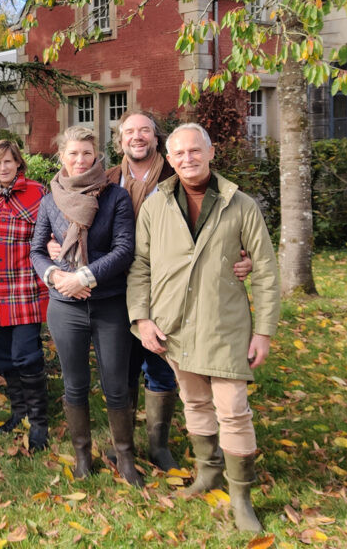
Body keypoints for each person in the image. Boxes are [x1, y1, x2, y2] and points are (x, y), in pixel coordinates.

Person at [127, 123, 280, 532]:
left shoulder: (240, 204)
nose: (187, 159)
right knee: (195, 404)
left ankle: (242, 496)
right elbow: (140, 266)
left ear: (211, 153)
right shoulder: (156, 205)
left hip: (225, 325)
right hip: (175, 326)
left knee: (232, 409)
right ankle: (208, 473)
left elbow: (264, 269)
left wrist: (263, 331)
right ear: (170, 159)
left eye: (195, 151)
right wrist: (142, 318)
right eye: (179, 154)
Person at [104, 111, 252, 471]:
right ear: (120, 140)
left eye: (144, 131)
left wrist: (241, 256)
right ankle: (123, 446)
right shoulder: (107, 180)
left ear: (157, 139)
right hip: (117, 290)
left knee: (163, 367)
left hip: (173, 291)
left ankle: (159, 444)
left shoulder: (178, 173)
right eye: (129, 132)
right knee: (121, 371)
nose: (136, 137)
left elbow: (223, 222)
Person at [30, 126, 143, 486]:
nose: (80, 160)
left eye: (87, 153)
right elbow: (36, 249)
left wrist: (85, 277)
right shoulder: (50, 199)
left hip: (109, 303)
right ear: (61, 156)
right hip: (65, 306)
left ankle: (125, 458)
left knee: (115, 384)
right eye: (73, 153)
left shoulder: (115, 197)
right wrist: (55, 277)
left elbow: (124, 250)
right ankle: (82, 456)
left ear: (97, 157)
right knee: (74, 385)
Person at [0, 139, 49, 451]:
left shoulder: (38, 193)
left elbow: (50, 235)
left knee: (26, 356)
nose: (3, 168)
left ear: (19, 163)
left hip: (26, 288)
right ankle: (18, 411)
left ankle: (39, 421)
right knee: (4, 359)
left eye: (9, 161)